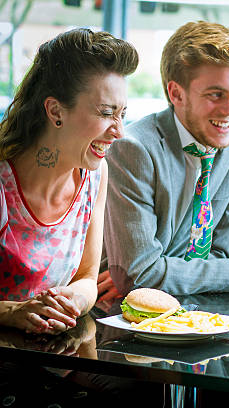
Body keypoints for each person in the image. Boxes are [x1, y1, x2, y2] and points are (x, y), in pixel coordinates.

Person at [98, 20, 229, 300]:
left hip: (197, 312)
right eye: (216, 94)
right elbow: (139, 276)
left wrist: (158, 273)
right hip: (120, 314)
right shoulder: (133, 150)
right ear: (176, 93)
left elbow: (218, 251)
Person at [0, 28, 138, 334]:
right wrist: (11, 312)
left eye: (122, 114)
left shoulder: (95, 176)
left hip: (57, 360)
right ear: (55, 111)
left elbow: (88, 276)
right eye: (106, 113)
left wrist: (73, 300)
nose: (119, 131)